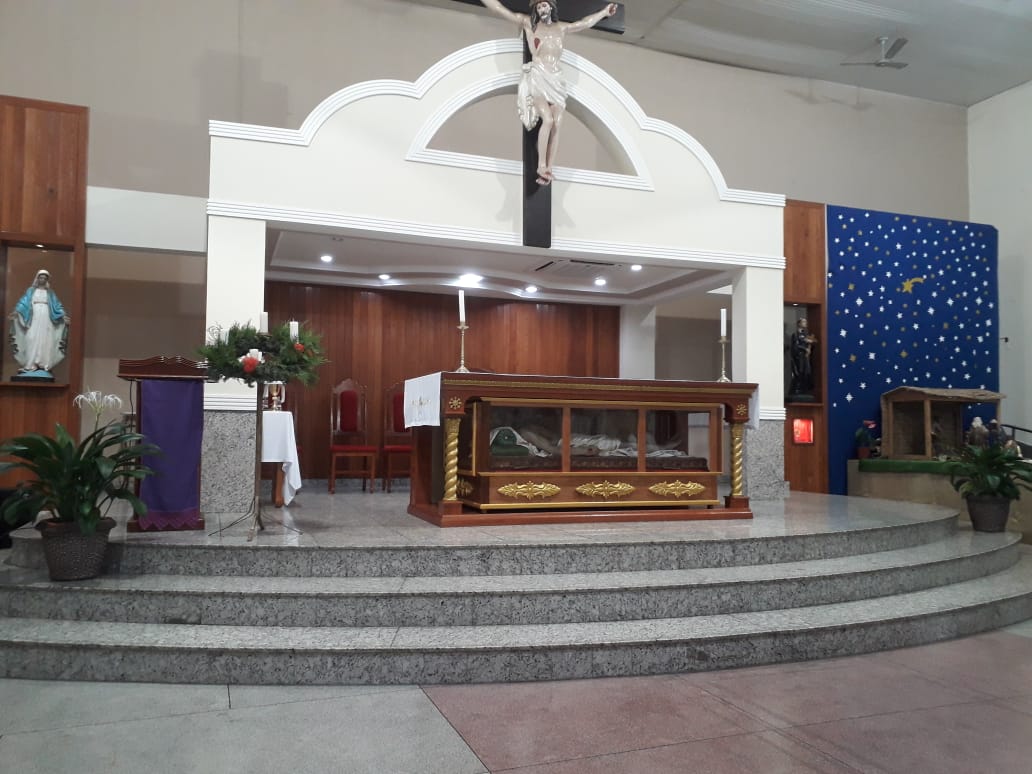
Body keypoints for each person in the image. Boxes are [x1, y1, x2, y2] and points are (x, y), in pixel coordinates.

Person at [479, 0, 618, 185]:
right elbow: (500, 10)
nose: (541, 9)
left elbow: (584, 23)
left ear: (551, 7)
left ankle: (549, 168)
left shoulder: (561, 28)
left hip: (556, 78)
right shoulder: (529, 24)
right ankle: (541, 166)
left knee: (557, 123)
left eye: (544, 5)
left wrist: (604, 13)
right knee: (548, 119)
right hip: (538, 75)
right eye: (538, 7)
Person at [8, 269, 70, 377]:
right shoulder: (31, 291)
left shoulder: (50, 293)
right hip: (34, 317)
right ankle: (30, 364)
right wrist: (16, 312)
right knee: (31, 338)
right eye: (41, 277)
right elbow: (24, 303)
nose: (43, 280)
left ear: (47, 280)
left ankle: (43, 364)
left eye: (45, 278)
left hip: (46, 317)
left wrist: (63, 315)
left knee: (45, 340)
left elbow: (57, 306)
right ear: (37, 278)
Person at [788, 317, 817, 396]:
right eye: (803, 322)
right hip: (799, 356)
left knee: (807, 372)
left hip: (805, 357)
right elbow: (795, 346)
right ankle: (797, 390)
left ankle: (805, 389)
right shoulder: (795, 334)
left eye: (805, 322)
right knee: (799, 372)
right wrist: (804, 348)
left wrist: (810, 343)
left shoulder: (806, 334)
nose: (805, 323)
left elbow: (812, 341)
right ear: (799, 323)